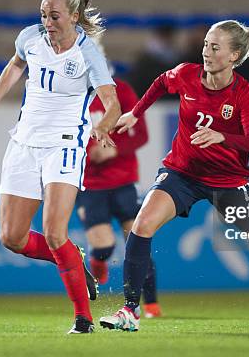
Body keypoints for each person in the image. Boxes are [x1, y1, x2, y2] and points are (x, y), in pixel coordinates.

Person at [99, 20, 249, 331]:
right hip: (181, 173)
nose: (206, 52)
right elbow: (162, 82)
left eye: (215, 47)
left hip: (229, 182)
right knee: (142, 224)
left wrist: (222, 137)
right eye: (205, 45)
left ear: (234, 56)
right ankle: (129, 311)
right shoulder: (187, 74)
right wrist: (136, 111)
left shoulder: (243, 94)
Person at [0, 0, 121, 334]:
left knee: (54, 233)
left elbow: (112, 103)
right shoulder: (30, 39)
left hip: (65, 146)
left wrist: (102, 127)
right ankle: (73, 258)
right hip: (23, 143)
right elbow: (15, 65)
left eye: (54, 16)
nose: (47, 23)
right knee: (12, 238)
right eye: (43, 15)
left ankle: (83, 319)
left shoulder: (88, 54)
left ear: (73, 16)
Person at [77, 76, 162, 318]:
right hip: (89, 184)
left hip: (124, 181)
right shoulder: (71, 91)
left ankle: (151, 305)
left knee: (138, 241)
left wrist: (115, 150)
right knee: (104, 244)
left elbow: (141, 134)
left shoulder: (121, 90)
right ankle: (98, 258)